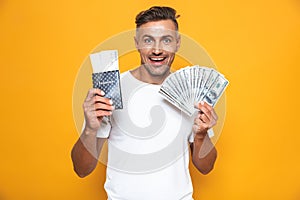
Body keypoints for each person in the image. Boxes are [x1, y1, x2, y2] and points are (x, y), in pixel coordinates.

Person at [71, 6, 218, 200]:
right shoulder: (111, 91)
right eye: (148, 40)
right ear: (137, 43)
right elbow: (81, 169)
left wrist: (201, 135)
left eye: (166, 40)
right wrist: (90, 128)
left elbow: (206, 168)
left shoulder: (191, 93)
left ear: (177, 43)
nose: (157, 50)